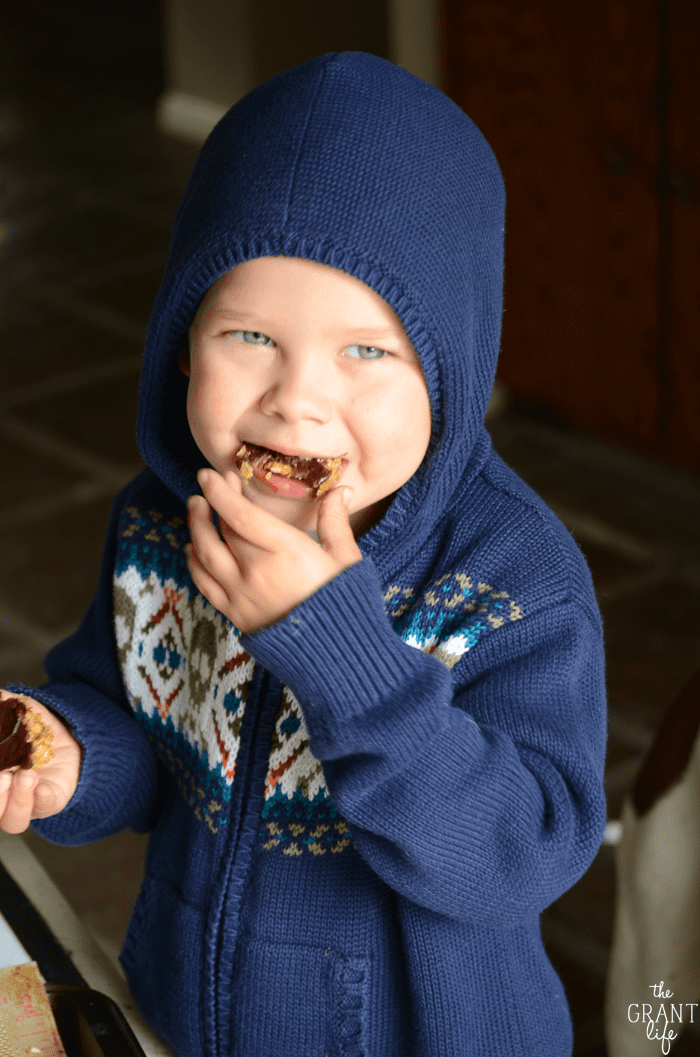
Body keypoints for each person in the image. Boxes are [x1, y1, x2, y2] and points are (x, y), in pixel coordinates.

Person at [0, 52, 606, 1056]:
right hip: (184, 1017)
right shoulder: (165, 526)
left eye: (367, 351)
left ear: (454, 368)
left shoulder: (510, 586)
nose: (296, 399)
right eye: (248, 335)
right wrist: (66, 752)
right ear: (181, 344)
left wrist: (334, 649)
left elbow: (514, 854)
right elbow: (135, 744)